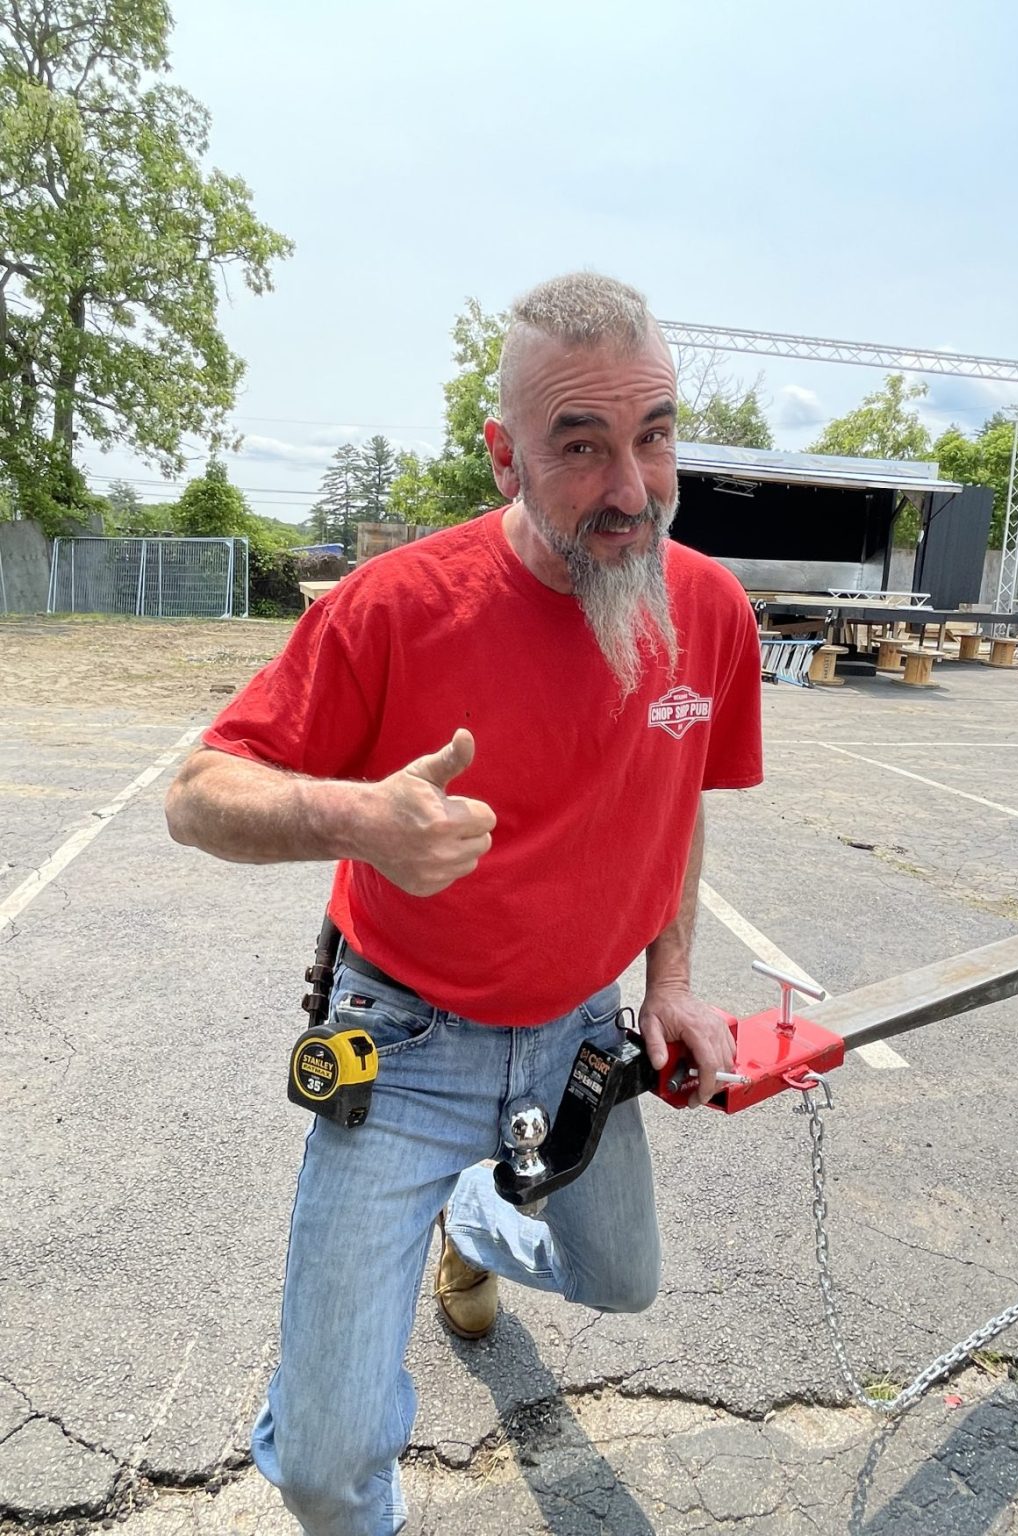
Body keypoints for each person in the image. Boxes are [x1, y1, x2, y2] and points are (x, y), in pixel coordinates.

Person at [165, 271, 763, 1535]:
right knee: (328, 1468)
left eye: (653, 434)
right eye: (579, 445)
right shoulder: (397, 607)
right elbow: (195, 793)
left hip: (582, 1036)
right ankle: (432, 1207)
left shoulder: (707, 608)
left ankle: (476, 1228)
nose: (630, 488)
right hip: (407, 1040)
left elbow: (682, 794)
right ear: (504, 455)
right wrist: (350, 815)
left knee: (624, 1281)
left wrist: (667, 984)